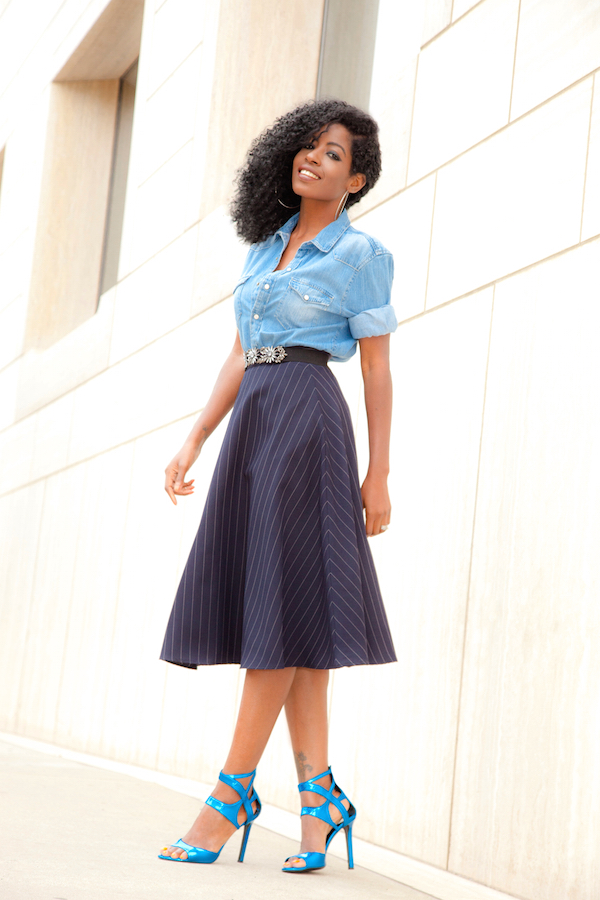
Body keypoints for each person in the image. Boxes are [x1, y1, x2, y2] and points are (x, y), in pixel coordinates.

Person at [158, 98, 397, 874]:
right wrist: (196, 434)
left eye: (333, 155)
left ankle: (231, 794)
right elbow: (239, 351)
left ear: (355, 178)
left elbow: (376, 367)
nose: (313, 161)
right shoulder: (265, 247)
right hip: (255, 420)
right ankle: (320, 797)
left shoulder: (361, 254)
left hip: (307, 421)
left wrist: (379, 473)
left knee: (281, 606)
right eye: (307, 149)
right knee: (295, 609)